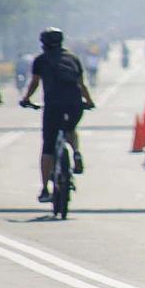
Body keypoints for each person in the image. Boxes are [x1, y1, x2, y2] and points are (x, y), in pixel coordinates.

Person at [20, 27, 95, 203]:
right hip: (74, 105)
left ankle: (45, 189)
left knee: (48, 147)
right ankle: (75, 152)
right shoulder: (73, 58)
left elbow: (35, 83)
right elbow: (81, 85)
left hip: (53, 106)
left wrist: (26, 99)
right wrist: (89, 102)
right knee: (70, 128)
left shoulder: (41, 60)